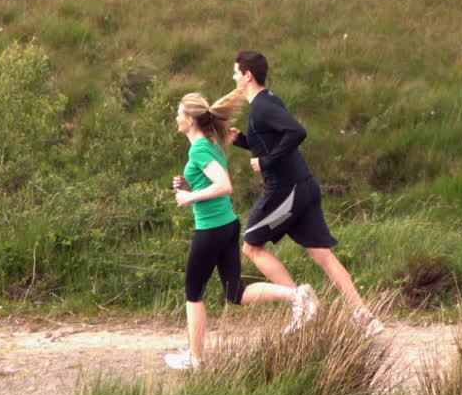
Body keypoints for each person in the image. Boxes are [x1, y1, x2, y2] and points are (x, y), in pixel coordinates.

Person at [229, 50, 383, 336]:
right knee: (322, 255)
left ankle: (303, 303)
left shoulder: (262, 105)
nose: (234, 77)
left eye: (236, 72)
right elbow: (272, 141)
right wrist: (243, 142)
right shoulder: (269, 101)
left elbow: (296, 132)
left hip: (286, 190)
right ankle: (364, 317)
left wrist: (265, 162)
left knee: (251, 246)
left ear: (248, 75)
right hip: (303, 186)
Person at [164, 90, 316, 371]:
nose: (176, 118)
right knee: (235, 293)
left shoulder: (199, 148)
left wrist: (190, 197)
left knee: (193, 293)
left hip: (211, 228)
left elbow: (224, 186)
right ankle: (297, 295)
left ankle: (195, 359)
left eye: (178, 114)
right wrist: (189, 185)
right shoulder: (211, 144)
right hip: (226, 224)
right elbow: (214, 183)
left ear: (189, 119)